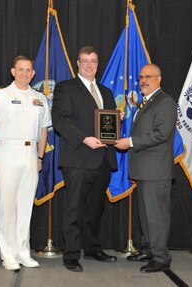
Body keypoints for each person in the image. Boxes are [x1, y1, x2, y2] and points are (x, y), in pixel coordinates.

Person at [0, 55, 51, 271]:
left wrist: (40, 157)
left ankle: (23, 251)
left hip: (30, 154)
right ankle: (8, 254)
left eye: (29, 70)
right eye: (21, 70)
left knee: (25, 206)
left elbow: (43, 129)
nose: (25, 74)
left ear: (34, 73)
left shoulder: (40, 97)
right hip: (7, 152)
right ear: (13, 71)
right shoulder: (1, 95)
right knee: (7, 206)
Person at [51, 46, 118, 272]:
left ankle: (92, 248)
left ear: (98, 64)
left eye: (93, 61)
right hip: (78, 157)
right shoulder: (65, 88)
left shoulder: (106, 92)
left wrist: (114, 138)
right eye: (85, 61)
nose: (89, 65)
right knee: (74, 209)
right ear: (77, 63)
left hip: (103, 159)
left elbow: (110, 124)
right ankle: (71, 253)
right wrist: (84, 139)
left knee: (95, 208)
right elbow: (60, 121)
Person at [114, 63, 176, 272]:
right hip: (144, 171)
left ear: (159, 78)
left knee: (157, 215)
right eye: (141, 77)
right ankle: (149, 249)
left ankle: (161, 258)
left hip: (156, 171)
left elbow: (160, 134)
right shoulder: (145, 102)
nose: (143, 80)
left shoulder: (165, 102)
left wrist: (129, 142)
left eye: (148, 76)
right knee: (146, 214)